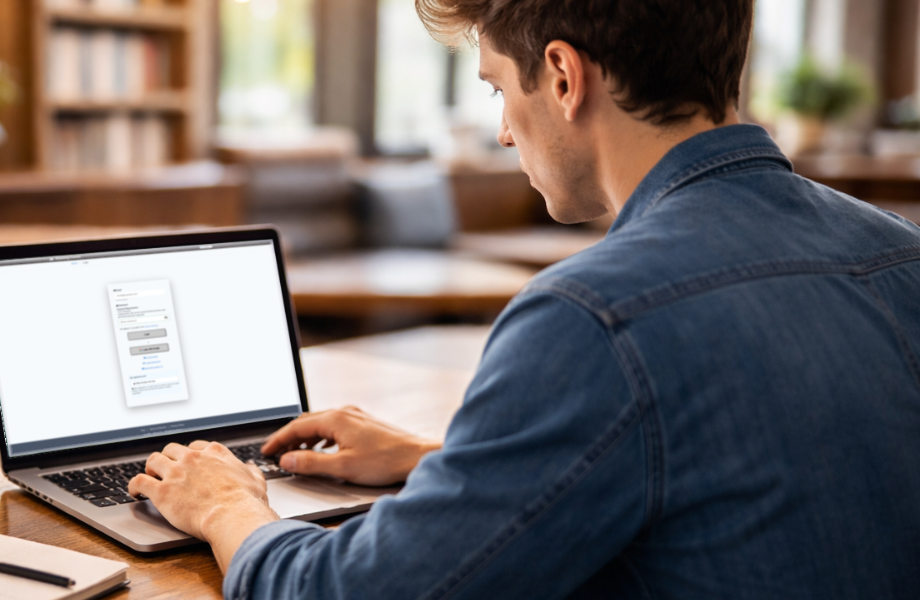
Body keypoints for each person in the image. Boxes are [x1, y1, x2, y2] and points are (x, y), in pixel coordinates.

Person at [128, 0, 920, 597]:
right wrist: (449, 465)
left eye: (498, 87)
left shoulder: (594, 316)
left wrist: (227, 504)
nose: (505, 130)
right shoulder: (899, 251)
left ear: (565, 78)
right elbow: (751, 465)